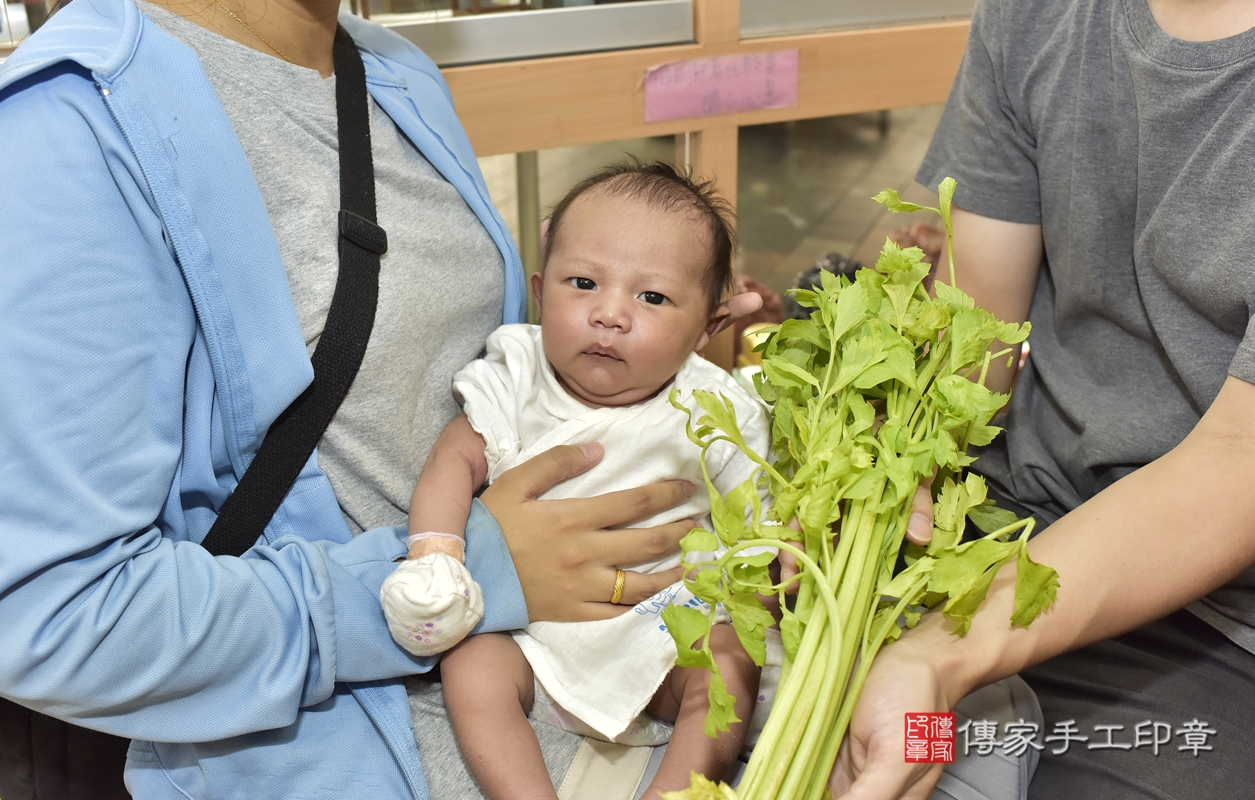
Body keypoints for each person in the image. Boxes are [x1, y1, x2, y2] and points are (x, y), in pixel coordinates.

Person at [0, 1, 764, 797]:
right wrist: (463, 580)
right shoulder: (67, 125)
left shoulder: (390, 71)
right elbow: (53, 618)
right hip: (384, 753)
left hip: (621, 694)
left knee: (911, 738)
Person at [831, 0, 1255, 798]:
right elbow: (979, 328)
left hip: (1215, 619)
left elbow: (1239, 460)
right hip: (1012, 522)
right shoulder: (1039, 14)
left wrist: (940, 654)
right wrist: (897, 458)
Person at [382, 163, 769, 800]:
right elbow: (454, 461)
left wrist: (766, 570)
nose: (609, 314)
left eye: (653, 297)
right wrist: (435, 554)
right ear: (540, 291)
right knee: (471, 665)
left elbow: (762, 516)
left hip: (663, 634)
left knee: (730, 662)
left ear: (707, 327)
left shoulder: (716, 408)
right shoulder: (518, 375)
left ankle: (675, 792)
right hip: (533, 638)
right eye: (583, 282)